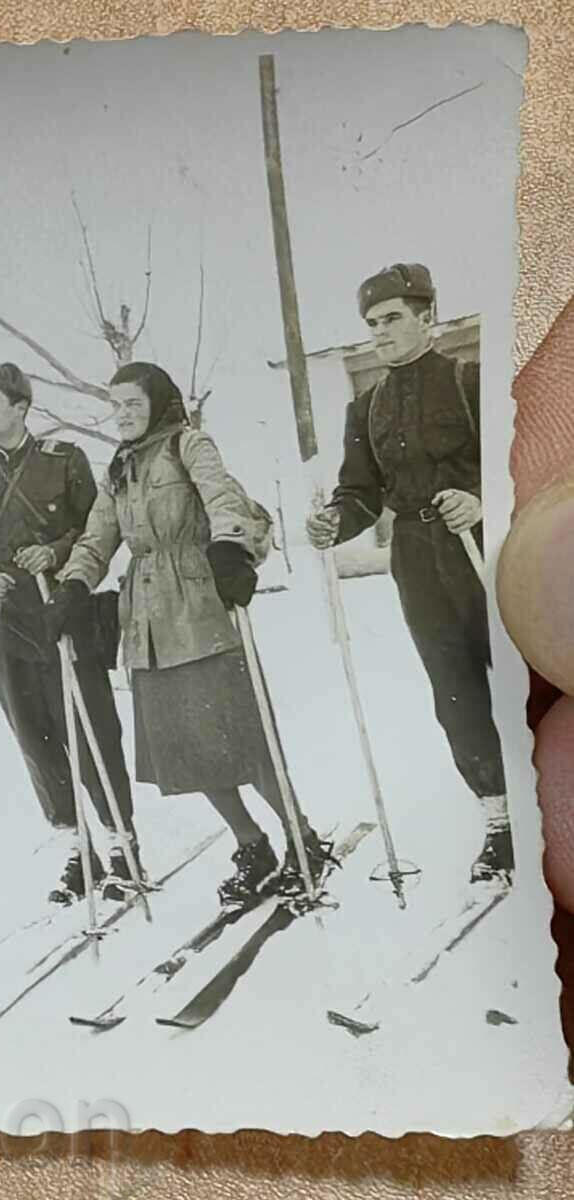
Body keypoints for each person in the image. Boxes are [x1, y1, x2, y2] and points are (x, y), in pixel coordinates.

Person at [44, 361, 330, 908]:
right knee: (185, 749)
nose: (123, 414)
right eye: (116, 405)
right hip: (147, 622)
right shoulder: (118, 468)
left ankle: (302, 839)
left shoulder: (189, 445)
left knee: (241, 737)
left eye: (132, 402)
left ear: (157, 402)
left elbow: (222, 499)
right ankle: (252, 844)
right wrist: (73, 586)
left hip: (200, 606)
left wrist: (228, 550)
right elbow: (98, 535)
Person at [306, 263, 512, 884]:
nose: (380, 332)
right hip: (418, 558)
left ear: (428, 317)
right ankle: (500, 823)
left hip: (485, 545)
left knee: (520, 676)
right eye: (372, 324)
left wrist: (479, 497)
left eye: (393, 318)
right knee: (454, 690)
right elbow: (362, 491)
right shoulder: (366, 409)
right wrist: (335, 521)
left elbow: (515, 458)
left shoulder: (470, 379)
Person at [0, 362, 142, 906]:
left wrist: (54, 553)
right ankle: (78, 851)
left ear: (21, 407)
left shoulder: (65, 460)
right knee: (36, 740)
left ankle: (123, 846)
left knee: (92, 730)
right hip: (4, 626)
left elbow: (101, 529)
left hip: (61, 614)